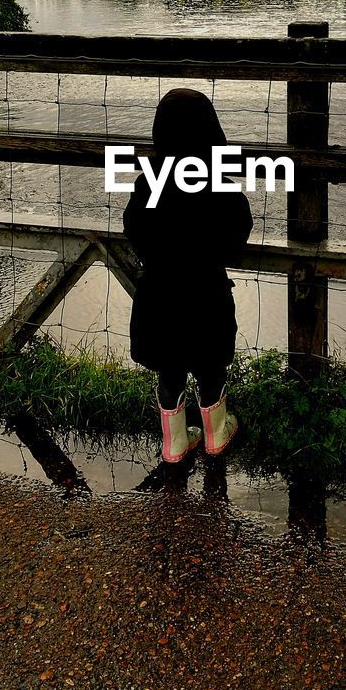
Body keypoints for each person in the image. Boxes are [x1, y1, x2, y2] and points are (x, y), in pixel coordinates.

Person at [123, 89, 253, 463]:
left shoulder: (149, 181)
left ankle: (174, 444)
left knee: (169, 368)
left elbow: (134, 227)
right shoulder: (218, 182)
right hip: (205, 293)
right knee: (210, 366)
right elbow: (236, 235)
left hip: (158, 295)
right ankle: (217, 432)